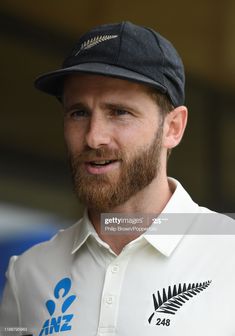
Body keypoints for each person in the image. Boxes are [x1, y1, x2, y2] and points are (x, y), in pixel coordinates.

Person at [0, 21, 235, 336]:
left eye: (119, 112)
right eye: (78, 113)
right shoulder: (28, 275)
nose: (94, 137)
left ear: (173, 128)